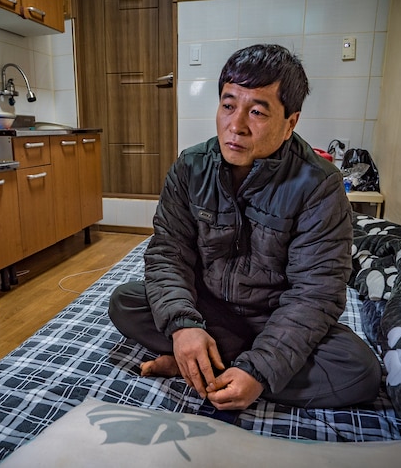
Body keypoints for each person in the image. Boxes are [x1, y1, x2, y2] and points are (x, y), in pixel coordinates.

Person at [108, 44, 381, 411]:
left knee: (358, 371)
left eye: (256, 112)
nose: (235, 126)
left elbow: (315, 294)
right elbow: (168, 253)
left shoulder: (320, 185)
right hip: (208, 308)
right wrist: (184, 327)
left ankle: (213, 367)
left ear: (291, 123)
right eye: (228, 105)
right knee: (126, 302)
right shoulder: (191, 167)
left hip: (275, 315)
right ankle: (204, 355)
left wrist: (261, 370)